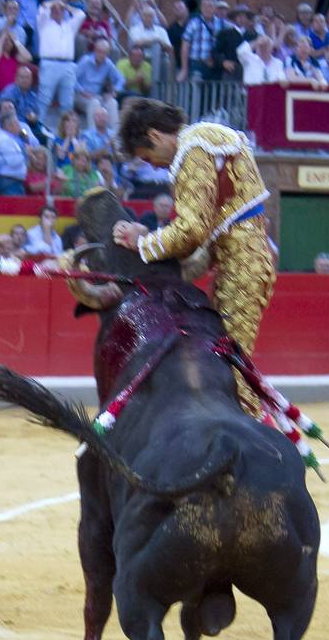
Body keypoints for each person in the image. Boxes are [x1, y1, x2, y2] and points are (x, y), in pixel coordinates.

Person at [113, 98, 274, 412]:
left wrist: (143, 243)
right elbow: (207, 242)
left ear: (156, 136)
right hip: (240, 262)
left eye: (148, 157)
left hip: (242, 267)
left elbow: (192, 230)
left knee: (232, 369)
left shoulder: (193, 149)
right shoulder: (204, 141)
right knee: (226, 360)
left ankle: (253, 447)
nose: (153, 167)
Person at [36, 0, 85, 124]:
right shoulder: (44, 24)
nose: (58, 11)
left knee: (67, 102)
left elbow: (81, 14)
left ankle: (66, 132)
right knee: (44, 100)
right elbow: (42, 10)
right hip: (49, 63)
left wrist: (66, 6)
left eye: (60, 10)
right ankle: (37, 128)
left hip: (68, 65)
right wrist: (53, 3)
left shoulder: (69, 26)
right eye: (55, 9)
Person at [75, 38, 124, 130]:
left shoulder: (108, 63)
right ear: (95, 50)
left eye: (104, 52)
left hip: (97, 96)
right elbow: (72, 79)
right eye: (99, 51)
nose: (101, 55)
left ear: (108, 53)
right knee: (95, 103)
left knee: (112, 102)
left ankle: (115, 138)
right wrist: (82, 91)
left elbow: (120, 79)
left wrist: (114, 92)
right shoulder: (85, 61)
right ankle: (93, 136)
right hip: (80, 95)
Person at [178, 0, 225, 81]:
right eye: (204, 6)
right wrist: (184, 69)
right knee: (196, 92)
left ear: (215, 8)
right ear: (201, 7)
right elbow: (185, 46)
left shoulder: (223, 24)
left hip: (215, 65)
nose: (207, 8)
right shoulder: (193, 23)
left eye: (210, 6)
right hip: (197, 63)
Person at [213, 4, 257, 82]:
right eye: (238, 16)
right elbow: (215, 52)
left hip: (248, 72)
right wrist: (223, 62)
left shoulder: (253, 36)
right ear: (234, 18)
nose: (241, 19)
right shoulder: (225, 33)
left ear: (247, 18)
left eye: (243, 16)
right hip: (230, 72)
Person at [0, 110, 32, 195]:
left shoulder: (11, 139)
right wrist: (26, 153)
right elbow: (13, 162)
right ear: (9, 125)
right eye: (17, 123)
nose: (20, 127)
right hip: (9, 182)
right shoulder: (4, 140)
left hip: (14, 182)